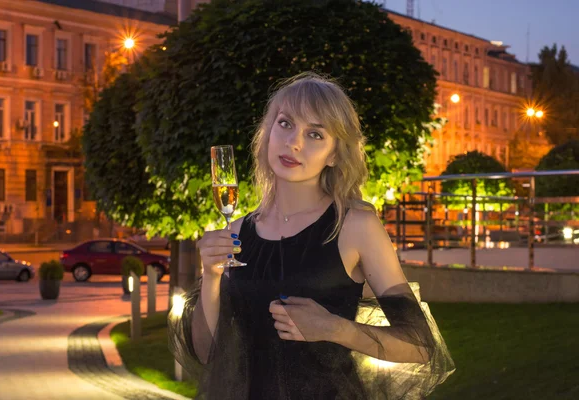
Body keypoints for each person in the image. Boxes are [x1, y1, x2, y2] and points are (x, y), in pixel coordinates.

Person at [169, 72, 455, 399]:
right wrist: (210, 275)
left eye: (315, 134)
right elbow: (208, 354)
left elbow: (419, 345)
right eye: (286, 123)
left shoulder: (355, 226)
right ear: (268, 131)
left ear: (334, 154)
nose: (294, 142)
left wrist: (336, 328)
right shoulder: (235, 233)